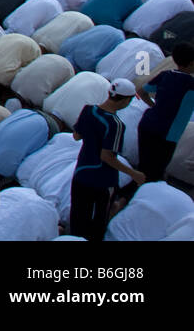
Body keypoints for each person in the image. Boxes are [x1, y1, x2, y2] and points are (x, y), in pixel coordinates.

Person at [69, 79, 145, 241]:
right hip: (101, 180)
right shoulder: (115, 124)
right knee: (98, 223)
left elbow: (76, 136)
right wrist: (133, 173)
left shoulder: (88, 110)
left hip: (81, 173)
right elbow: (107, 156)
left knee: (77, 217)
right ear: (126, 100)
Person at [135, 42, 194, 184]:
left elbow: (142, 92)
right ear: (192, 63)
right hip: (167, 135)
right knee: (154, 174)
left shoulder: (165, 75)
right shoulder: (191, 85)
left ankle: (127, 196)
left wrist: (154, 106)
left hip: (147, 124)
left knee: (143, 168)